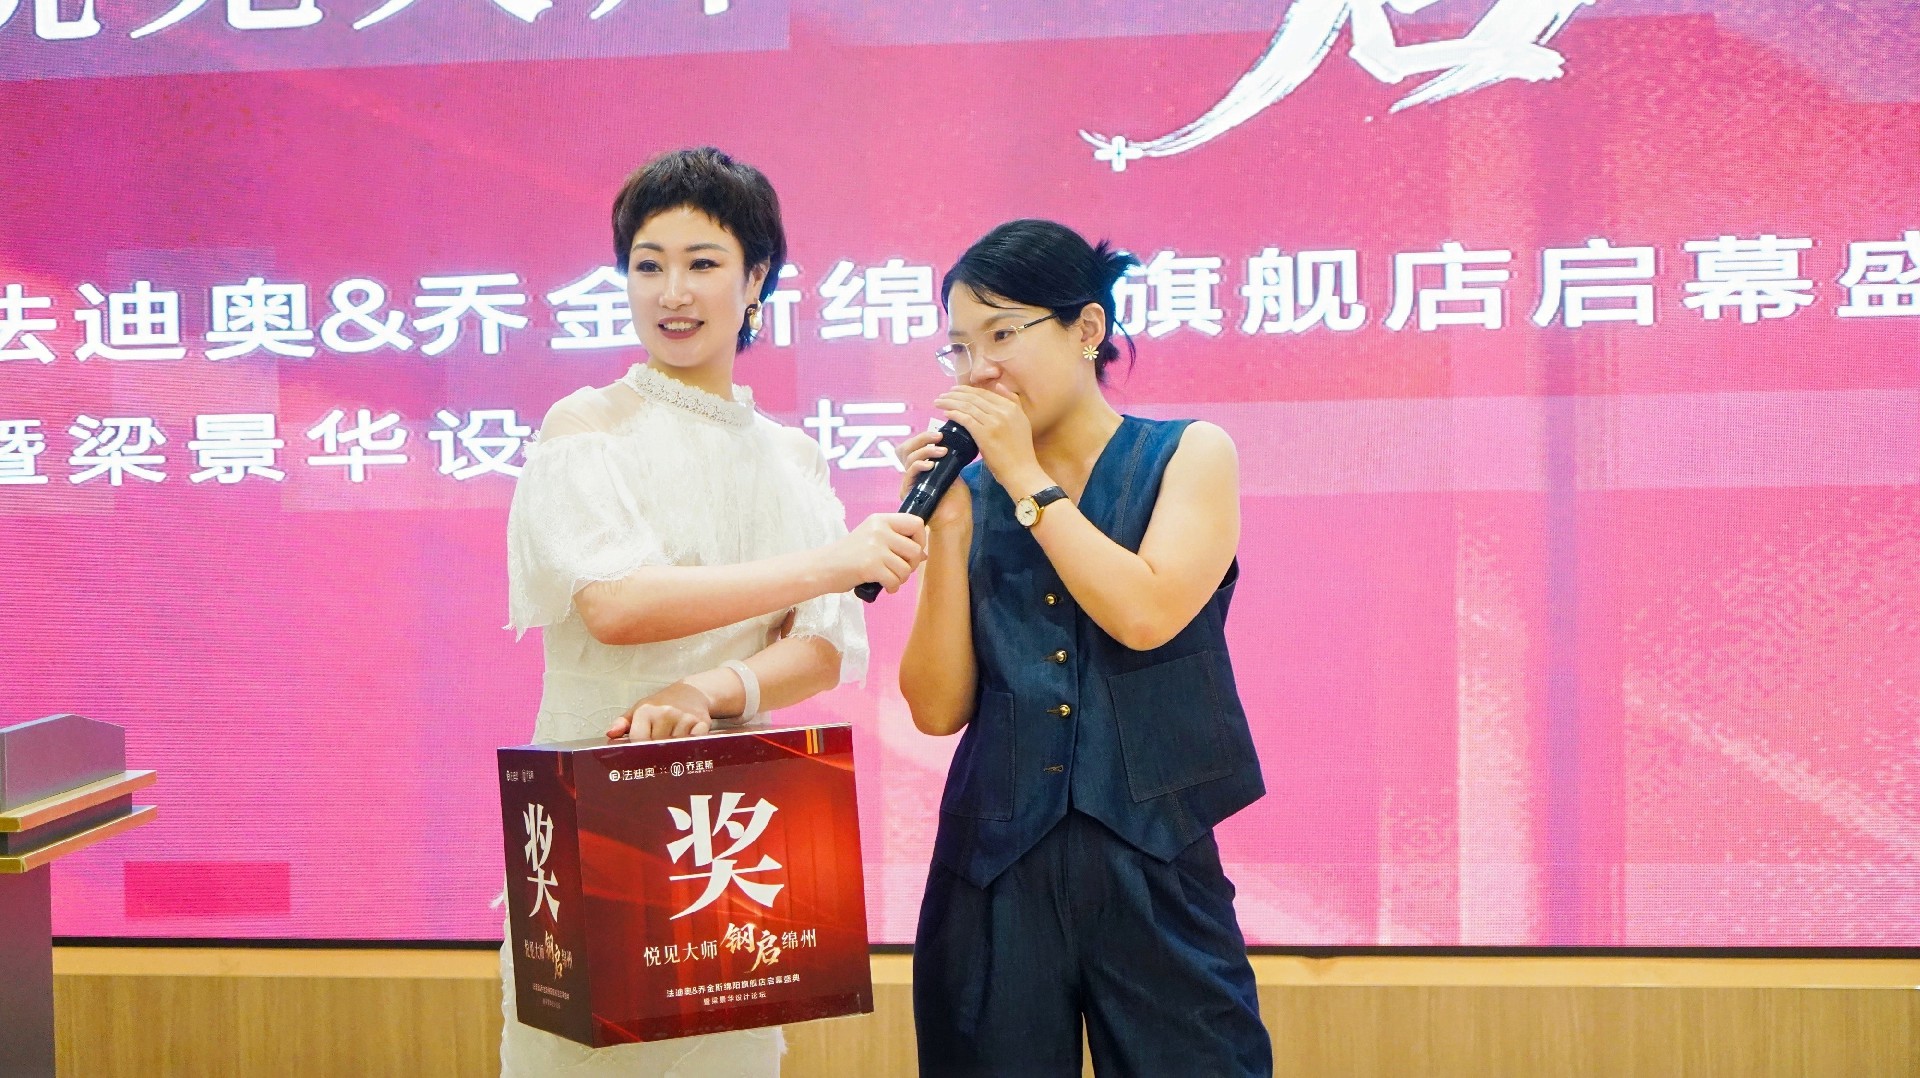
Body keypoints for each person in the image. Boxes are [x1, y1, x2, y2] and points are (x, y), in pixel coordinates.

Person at [499, 146, 927, 1077]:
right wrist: (831, 562)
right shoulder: (585, 425)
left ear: (756, 278)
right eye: (647, 264)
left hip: (732, 823)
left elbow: (822, 647)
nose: (672, 292)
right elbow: (615, 605)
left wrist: (708, 689)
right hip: (592, 809)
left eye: (702, 263)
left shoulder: (791, 455)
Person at [898, 219, 1272, 1077]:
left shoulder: (1189, 453)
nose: (979, 370)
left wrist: (1024, 479)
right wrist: (947, 531)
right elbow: (936, 709)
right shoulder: (970, 493)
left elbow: (1144, 613)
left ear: (1087, 329)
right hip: (991, 868)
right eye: (960, 348)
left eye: (1003, 335)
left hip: (1156, 857)